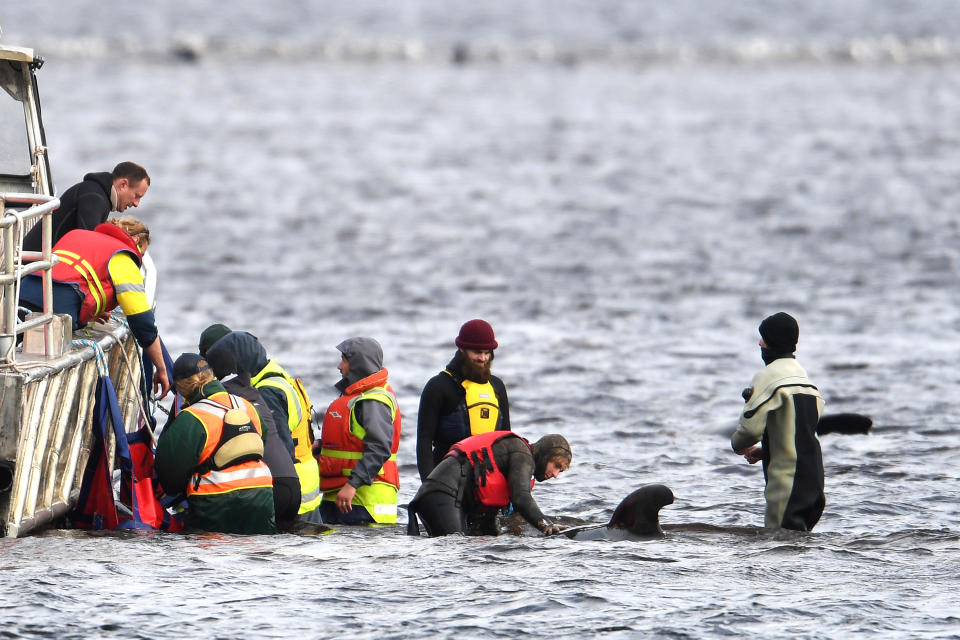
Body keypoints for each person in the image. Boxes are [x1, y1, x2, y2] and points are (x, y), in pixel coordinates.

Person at [18, 217, 169, 399]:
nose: (140, 258)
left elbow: (71, 274)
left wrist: (90, 312)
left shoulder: (77, 234)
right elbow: (141, 320)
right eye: (142, 253)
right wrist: (161, 368)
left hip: (23, 292)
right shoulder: (122, 255)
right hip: (58, 307)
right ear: (136, 241)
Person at [198, 326, 323, 521]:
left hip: (293, 492)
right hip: (306, 486)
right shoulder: (277, 375)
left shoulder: (266, 392)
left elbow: (280, 446)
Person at [155, 353, 276, 534]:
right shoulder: (246, 405)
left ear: (182, 388)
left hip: (215, 503)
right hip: (262, 496)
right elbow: (262, 442)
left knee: (211, 557)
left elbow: (169, 478)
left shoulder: (191, 418)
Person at [730, 312, 826, 531]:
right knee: (799, 547)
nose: (759, 343)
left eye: (763, 338)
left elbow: (750, 430)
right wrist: (767, 450)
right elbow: (798, 430)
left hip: (787, 482)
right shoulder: (806, 381)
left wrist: (738, 445)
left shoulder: (767, 377)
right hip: (815, 480)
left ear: (771, 343)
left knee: (779, 546)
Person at [407, 431, 571, 537]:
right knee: (453, 547)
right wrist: (546, 525)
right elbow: (521, 497)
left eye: (560, 471)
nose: (555, 474)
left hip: (440, 497)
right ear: (544, 455)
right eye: (556, 465)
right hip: (440, 495)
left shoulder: (513, 458)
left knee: (481, 543)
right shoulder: (522, 454)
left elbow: (486, 521)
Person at [316, 337, 402, 525]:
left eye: (344, 360)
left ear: (358, 364)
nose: (339, 366)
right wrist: (318, 447)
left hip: (366, 500)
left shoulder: (374, 400)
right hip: (340, 494)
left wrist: (352, 484)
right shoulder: (356, 396)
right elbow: (352, 441)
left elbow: (379, 447)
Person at [416, 319, 511, 481]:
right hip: (448, 479)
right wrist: (428, 485)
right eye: (477, 352)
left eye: (487, 353)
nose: (483, 358)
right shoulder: (438, 386)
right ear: (462, 349)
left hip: (487, 480)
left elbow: (507, 439)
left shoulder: (497, 387)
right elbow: (424, 441)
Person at [22, 162, 151, 253]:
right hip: (31, 272)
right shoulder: (94, 198)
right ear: (123, 185)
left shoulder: (98, 194)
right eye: (136, 196)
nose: (136, 203)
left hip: (39, 265)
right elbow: (88, 247)